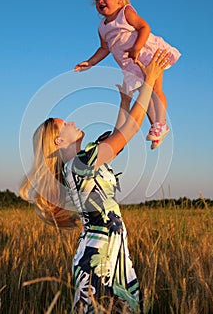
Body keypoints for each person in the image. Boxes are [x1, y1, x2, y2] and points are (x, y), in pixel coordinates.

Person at [20, 50, 170, 313]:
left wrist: (125, 102)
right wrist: (149, 82)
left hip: (109, 254)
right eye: (65, 123)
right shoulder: (80, 164)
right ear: (58, 141)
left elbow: (118, 139)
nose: (73, 121)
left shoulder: (82, 161)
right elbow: (130, 131)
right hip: (100, 259)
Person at [75, 0, 181, 150]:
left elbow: (144, 27)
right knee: (144, 98)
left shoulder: (126, 13)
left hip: (146, 55)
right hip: (130, 65)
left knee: (155, 90)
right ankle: (157, 126)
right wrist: (90, 62)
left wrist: (137, 48)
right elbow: (104, 48)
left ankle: (161, 122)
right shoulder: (102, 27)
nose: (100, 1)